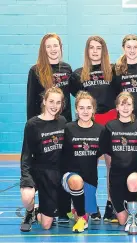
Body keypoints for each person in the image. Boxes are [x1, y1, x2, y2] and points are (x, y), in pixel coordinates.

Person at [69, 35, 117, 222]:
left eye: (99, 48)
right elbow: (78, 97)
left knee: (111, 165)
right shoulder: (78, 74)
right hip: (90, 121)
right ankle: (90, 205)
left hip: (111, 119)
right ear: (87, 51)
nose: (95, 51)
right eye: (92, 48)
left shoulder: (113, 71)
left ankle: (111, 204)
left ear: (103, 51)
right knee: (88, 165)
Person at [20, 87, 67, 232]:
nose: (54, 105)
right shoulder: (32, 124)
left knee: (46, 225)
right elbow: (26, 155)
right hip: (37, 170)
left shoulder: (63, 121)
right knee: (27, 196)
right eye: (51, 101)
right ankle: (29, 212)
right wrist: (26, 178)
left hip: (54, 174)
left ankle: (41, 212)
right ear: (44, 101)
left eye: (58, 102)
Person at [101, 92, 137, 231]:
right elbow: (106, 153)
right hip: (117, 177)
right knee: (122, 221)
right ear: (117, 107)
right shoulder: (110, 126)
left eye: (129, 104)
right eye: (122, 104)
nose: (125, 108)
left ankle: (135, 212)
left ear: (133, 107)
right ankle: (134, 209)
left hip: (135, 174)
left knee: (133, 180)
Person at [61, 91, 105, 233]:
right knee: (76, 181)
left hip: (90, 179)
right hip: (70, 177)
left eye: (88, 107)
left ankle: (77, 208)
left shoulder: (100, 130)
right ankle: (77, 210)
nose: (85, 111)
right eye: (81, 108)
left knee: (89, 213)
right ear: (76, 109)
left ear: (93, 109)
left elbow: (99, 156)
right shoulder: (68, 128)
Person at [27, 33, 72, 122]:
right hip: (43, 123)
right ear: (44, 50)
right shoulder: (35, 70)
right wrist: (32, 125)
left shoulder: (67, 68)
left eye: (55, 45)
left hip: (64, 121)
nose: (53, 49)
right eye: (48, 46)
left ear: (60, 47)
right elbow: (31, 102)